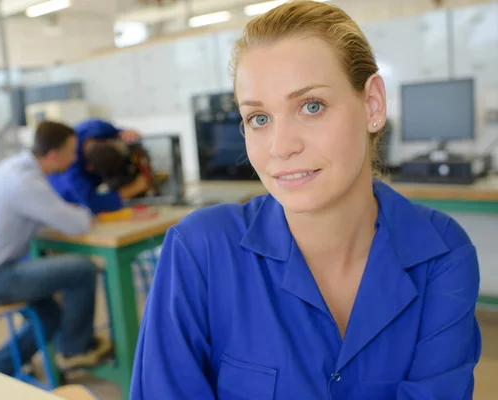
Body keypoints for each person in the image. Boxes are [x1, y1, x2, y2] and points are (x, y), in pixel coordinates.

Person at [130, 2, 481, 399]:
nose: (281, 147)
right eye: (259, 119)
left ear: (372, 105)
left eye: (311, 107)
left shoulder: (442, 254)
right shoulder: (200, 251)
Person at [0, 120, 112, 376]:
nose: (74, 159)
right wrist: (83, 214)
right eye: (72, 152)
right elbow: (75, 224)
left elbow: (52, 214)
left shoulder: (14, 168)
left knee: (49, 318)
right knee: (81, 269)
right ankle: (75, 350)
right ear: (53, 154)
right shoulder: (24, 181)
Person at [48, 118, 150, 214]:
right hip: (66, 200)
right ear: (90, 167)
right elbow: (92, 203)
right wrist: (133, 189)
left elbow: (121, 133)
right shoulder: (72, 171)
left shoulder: (96, 127)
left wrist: (127, 133)